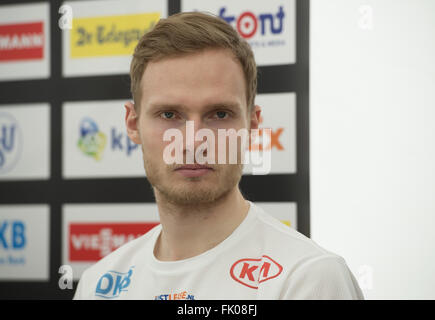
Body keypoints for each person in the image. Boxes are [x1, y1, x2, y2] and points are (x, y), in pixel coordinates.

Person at [73, 11, 364, 300]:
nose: (194, 141)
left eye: (220, 114)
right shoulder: (97, 285)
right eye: (169, 114)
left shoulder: (308, 279)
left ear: (252, 125)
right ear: (133, 124)